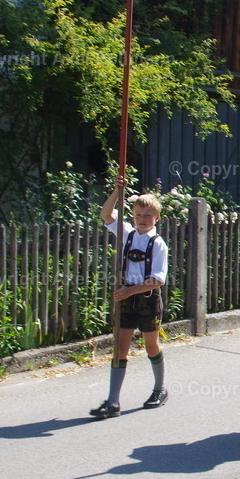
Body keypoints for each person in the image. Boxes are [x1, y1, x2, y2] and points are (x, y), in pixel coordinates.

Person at [90, 176, 170, 419]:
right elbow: (105, 214)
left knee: (150, 345)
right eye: (138, 215)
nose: (142, 219)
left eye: (147, 215)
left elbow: (158, 279)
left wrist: (128, 291)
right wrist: (117, 190)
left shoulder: (158, 244)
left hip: (147, 298)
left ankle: (160, 389)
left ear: (157, 218)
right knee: (119, 347)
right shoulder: (126, 233)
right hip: (126, 298)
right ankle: (113, 401)